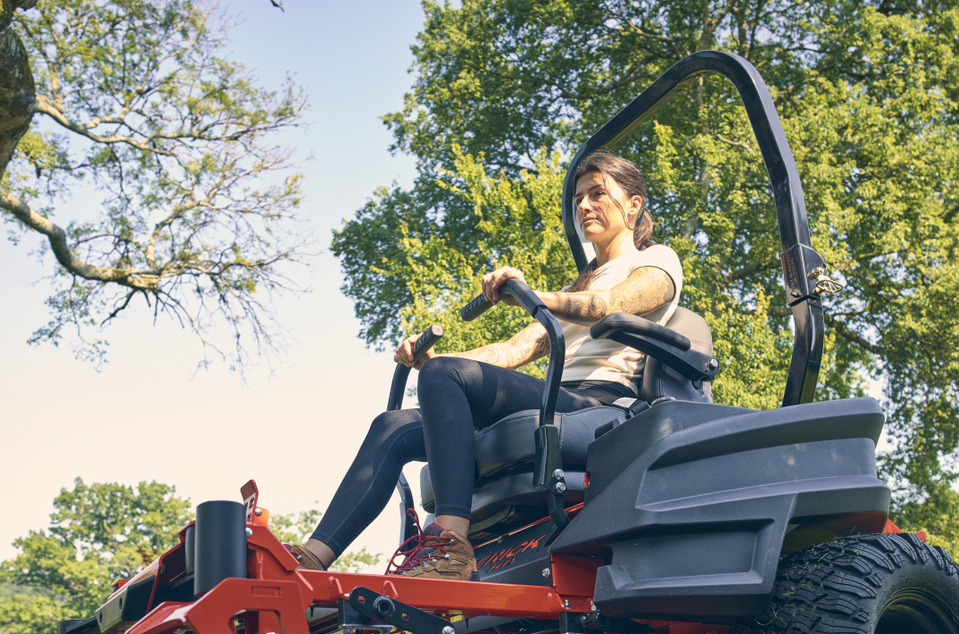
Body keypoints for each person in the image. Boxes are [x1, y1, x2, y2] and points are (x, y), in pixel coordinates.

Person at [287, 151, 685, 580]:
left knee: (447, 378)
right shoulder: (579, 283)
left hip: (599, 401)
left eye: (597, 194)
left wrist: (535, 296)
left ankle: (452, 547)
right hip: (561, 393)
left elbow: (610, 306)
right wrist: (433, 365)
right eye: (578, 198)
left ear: (633, 205)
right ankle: (311, 561)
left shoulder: (657, 260)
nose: (584, 205)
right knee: (394, 426)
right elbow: (512, 350)